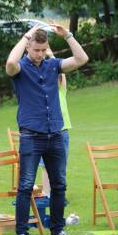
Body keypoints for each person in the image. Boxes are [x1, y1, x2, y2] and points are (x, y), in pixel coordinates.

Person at [5, 23, 88, 235]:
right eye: (36, 50)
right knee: (25, 186)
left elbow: (81, 59)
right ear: (28, 48)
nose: (40, 54)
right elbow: (10, 62)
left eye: (44, 50)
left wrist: (67, 35)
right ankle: (22, 234)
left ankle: (58, 231)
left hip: (56, 134)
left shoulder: (53, 65)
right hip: (32, 135)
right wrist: (26, 36)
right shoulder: (19, 69)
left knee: (59, 185)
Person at [40, 47, 72, 197]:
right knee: (45, 166)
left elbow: (61, 71)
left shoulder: (61, 90)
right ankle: (46, 193)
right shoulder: (45, 93)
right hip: (47, 133)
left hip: (62, 131)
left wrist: (51, 54)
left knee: (61, 166)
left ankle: (59, 194)